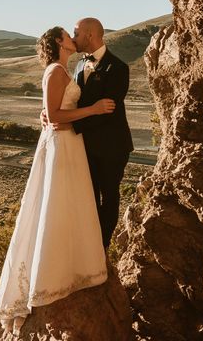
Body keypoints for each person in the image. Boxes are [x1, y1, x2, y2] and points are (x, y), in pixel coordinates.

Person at [0, 26, 113, 337]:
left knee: (69, 205)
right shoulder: (56, 70)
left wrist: (46, 114)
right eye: (68, 34)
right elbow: (56, 115)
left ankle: (73, 267)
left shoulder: (62, 69)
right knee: (56, 206)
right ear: (59, 41)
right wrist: (94, 109)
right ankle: (51, 277)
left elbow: (50, 111)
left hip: (69, 143)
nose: (73, 37)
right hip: (61, 144)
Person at [41, 17, 134, 249]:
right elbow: (69, 101)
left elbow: (107, 112)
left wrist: (70, 124)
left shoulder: (119, 68)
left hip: (112, 146)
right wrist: (48, 113)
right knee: (88, 199)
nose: (73, 38)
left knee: (109, 197)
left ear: (89, 35)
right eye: (70, 34)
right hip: (84, 146)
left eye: (76, 33)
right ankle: (86, 249)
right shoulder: (79, 65)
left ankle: (101, 248)